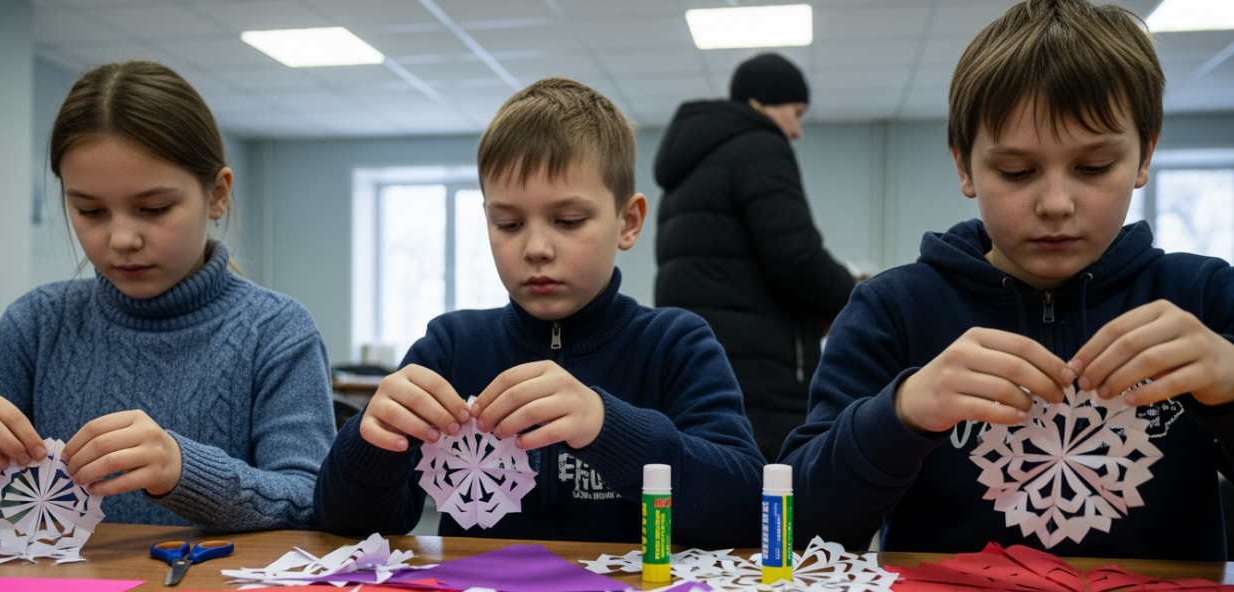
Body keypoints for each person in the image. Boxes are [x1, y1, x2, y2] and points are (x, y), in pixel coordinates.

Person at [782, 0, 1234, 561]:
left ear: (1145, 155)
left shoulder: (1206, 297)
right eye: (1016, 172)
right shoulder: (892, 310)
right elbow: (794, 526)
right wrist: (902, 413)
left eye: (1093, 168)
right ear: (964, 166)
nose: (1055, 204)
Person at [316, 78, 766, 547]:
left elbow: (746, 505)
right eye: (507, 224)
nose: (535, 248)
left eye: (568, 221)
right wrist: (372, 444)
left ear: (627, 222)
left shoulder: (675, 344)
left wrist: (608, 426)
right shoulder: (451, 346)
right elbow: (342, 524)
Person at [0, 61, 335, 532]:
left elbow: (314, 502)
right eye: (90, 210)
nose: (121, 238)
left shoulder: (276, 330)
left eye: (153, 208)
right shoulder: (38, 322)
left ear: (218, 195)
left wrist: (186, 471)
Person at [653, 53, 856, 462]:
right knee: (772, 504)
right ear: (761, 104)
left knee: (713, 489)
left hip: (697, 364)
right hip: (761, 375)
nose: (796, 131)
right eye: (795, 113)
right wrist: (860, 300)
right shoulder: (761, 145)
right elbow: (796, 256)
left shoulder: (686, 169)